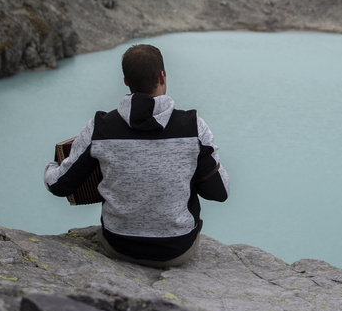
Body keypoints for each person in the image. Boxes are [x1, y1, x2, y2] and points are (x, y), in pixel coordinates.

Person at [44, 43, 229, 267]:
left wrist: (52, 166)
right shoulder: (193, 126)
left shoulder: (100, 128)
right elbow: (219, 192)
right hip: (177, 249)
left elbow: (59, 185)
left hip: (119, 246)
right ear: (162, 76)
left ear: (126, 81)